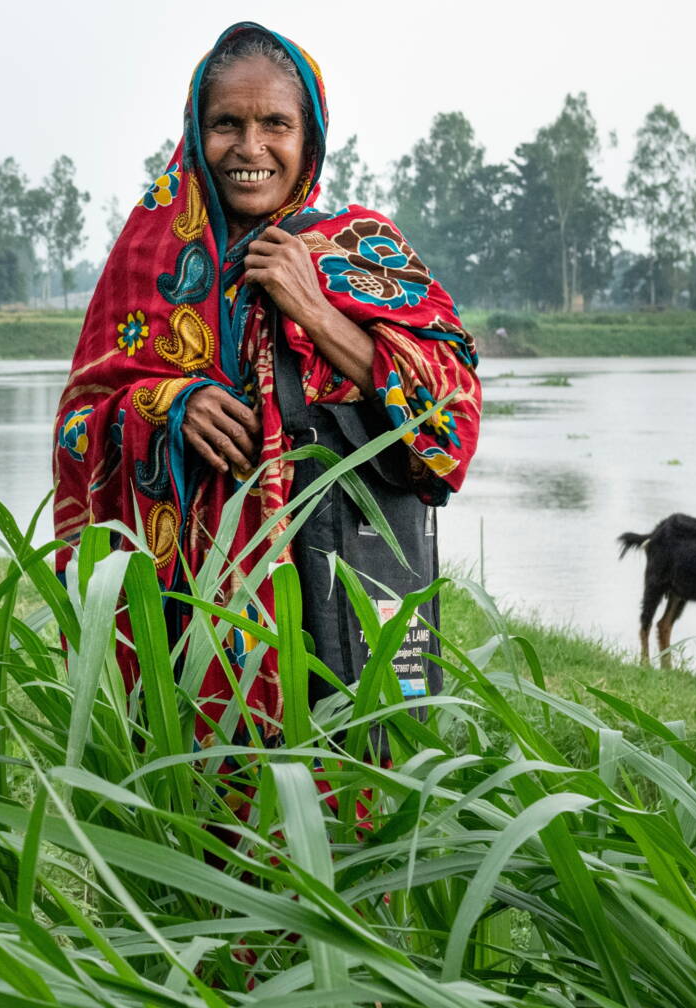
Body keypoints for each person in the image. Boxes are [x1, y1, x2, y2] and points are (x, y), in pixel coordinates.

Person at [51, 23, 482, 754]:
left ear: (309, 137)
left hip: (334, 590)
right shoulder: (148, 256)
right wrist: (168, 406)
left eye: (275, 124)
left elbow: (449, 426)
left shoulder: (359, 248)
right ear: (196, 133)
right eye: (227, 123)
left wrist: (314, 309)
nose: (250, 148)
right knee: (182, 794)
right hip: (180, 607)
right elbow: (80, 420)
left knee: (338, 789)